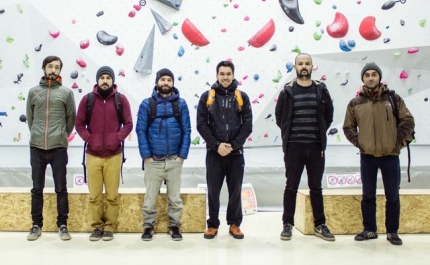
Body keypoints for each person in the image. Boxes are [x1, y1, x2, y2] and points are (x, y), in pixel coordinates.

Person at [343, 62, 415, 246]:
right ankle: (369, 230)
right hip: (367, 156)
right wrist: (361, 143)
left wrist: (396, 142)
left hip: (390, 156)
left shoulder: (393, 99)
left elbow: (407, 121)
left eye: (374, 74)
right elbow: (348, 127)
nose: (371, 78)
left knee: (392, 196)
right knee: (368, 195)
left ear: (379, 77)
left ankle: (392, 232)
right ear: (363, 79)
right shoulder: (355, 102)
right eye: (367, 75)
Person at [275, 53, 335, 241]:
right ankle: (287, 224)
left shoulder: (321, 89)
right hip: (294, 148)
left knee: (316, 188)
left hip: (316, 148)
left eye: (307, 63)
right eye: (300, 63)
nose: (304, 66)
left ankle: (320, 224)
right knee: (291, 187)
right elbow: (280, 118)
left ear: (312, 67)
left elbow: (329, 115)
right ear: (295, 67)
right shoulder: (287, 91)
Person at [75, 66, 133, 241]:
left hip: (114, 155)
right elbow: (79, 124)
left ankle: (109, 227)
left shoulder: (121, 100)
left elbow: (129, 124)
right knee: (94, 196)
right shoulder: (88, 99)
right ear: (97, 80)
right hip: (92, 155)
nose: (105, 81)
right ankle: (96, 227)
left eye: (108, 77)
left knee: (112, 196)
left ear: (113, 80)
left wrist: (115, 139)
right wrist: (90, 139)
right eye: (102, 78)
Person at [197, 61, 253, 240]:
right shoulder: (207, 96)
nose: (225, 77)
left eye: (228, 74)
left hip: (236, 154)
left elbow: (248, 125)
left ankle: (234, 224)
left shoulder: (241, 96)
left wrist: (233, 145)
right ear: (216, 75)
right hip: (214, 153)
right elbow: (201, 125)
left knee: (235, 190)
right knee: (213, 190)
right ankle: (212, 224)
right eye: (222, 74)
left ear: (233, 75)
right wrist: (217, 145)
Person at [136, 68, 191, 241]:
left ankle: (174, 226)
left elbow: (187, 131)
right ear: (157, 82)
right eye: (163, 80)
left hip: (174, 159)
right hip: (154, 161)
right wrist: (146, 156)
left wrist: (182, 155)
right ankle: (148, 226)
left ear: (173, 83)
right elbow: (141, 130)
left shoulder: (181, 104)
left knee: (175, 198)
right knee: (150, 198)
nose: (166, 83)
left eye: (169, 80)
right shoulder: (147, 104)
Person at [26, 55, 76, 241]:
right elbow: (30, 119)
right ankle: (36, 225)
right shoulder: (33, 92)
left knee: (61, 189)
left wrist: (61, 134)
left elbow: (71, 119)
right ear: (44, 68)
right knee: (36, 189)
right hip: (37, 148)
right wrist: (37, 134)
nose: (53, 70)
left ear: (60, 70)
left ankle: (62, 225)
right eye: (50, 66)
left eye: (56, 67)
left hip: (58, 149)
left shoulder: (66, 93)